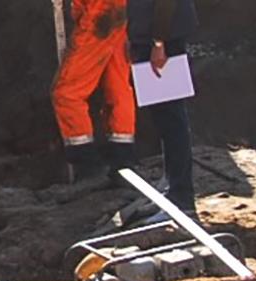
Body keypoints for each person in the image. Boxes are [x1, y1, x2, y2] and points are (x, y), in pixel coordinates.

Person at [127, 0, 199, 216]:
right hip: (151, 37)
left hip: (162, 40)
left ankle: (181, 198)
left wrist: (159, 42)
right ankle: (174, 191)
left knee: (171, 119)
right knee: (164, 119)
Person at [53, 0, 136, 180]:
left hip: (98, 13)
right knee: (117, 87)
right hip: (117, 11)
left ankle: (87, 163)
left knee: (67, 93)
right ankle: (122, 158)